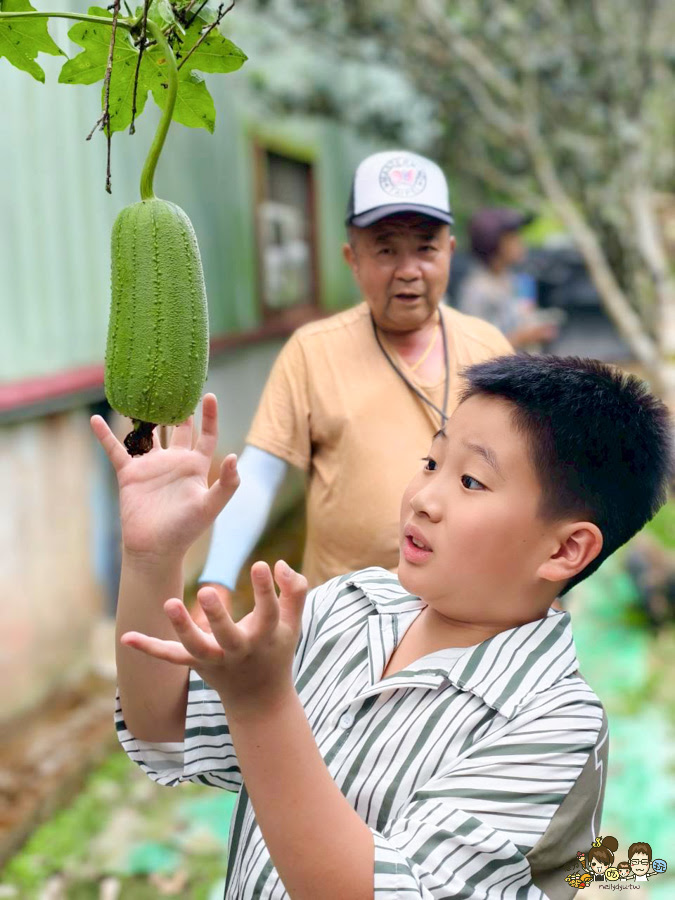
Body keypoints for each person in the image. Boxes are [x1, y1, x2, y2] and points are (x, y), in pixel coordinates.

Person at [90, 353, 673, 899]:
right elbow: (162, 727)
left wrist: (262, 704)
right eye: (431, 462)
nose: (423, 497)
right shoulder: (349, 603)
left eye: (471, 482)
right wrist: (152, 560)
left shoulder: (553, 725)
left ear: (566, 550)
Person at [198, 151, 512, 609]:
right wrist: (217, 581)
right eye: (386, 249)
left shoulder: (489, 349)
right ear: (353, 258)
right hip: (343, 622)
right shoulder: (313, 351)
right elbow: (262, 472)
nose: (408, 270)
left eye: (425, 247)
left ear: (449, 251)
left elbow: (518, 481)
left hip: (463, 611)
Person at [458, 207, 562, 351]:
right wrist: (522, 338)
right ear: (493, 243)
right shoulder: (477, 290)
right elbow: (475, 350)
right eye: (513, 237)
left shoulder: (512, 280)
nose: (521, 241)